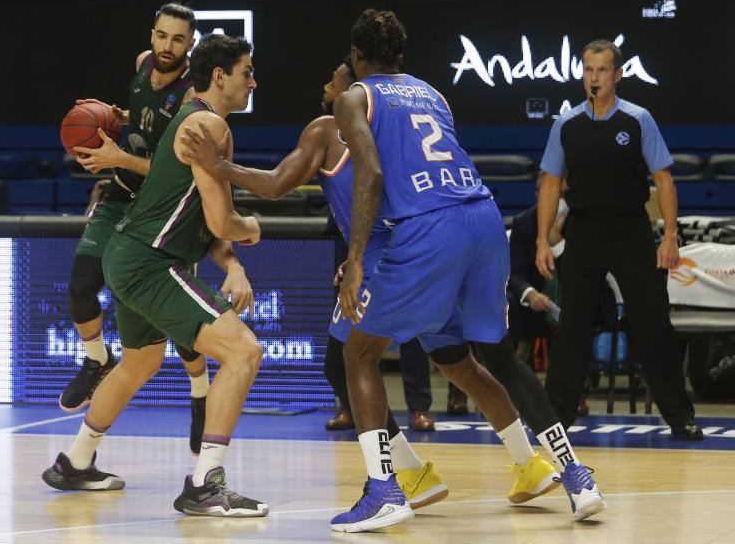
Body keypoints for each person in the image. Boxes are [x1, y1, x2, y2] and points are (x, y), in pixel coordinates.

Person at [182, 47, 602, 531]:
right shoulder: (410, 111)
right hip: (444, 236)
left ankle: (403, 477)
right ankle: (534, 463)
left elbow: (278, 184)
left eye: (335, 77)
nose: (328, 86)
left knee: (347, 360)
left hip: (395, 254)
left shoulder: (329, 125)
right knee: (462, 360)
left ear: (354, 81)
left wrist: (219, 166)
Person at [331, 10, 604, 532]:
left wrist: (358, 257)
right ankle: (574, 475)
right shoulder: (432, 94)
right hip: (482, 216)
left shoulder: (354, 97)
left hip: (432, 225)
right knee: (486, 356)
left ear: (356, 56)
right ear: (401, 56)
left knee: (358, 352)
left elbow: (372, 171)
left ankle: (385, 491)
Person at [43, 34, 268, 518]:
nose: (254, 80)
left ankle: (76, 461)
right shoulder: (210, 125)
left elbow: (204, 222)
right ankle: (205, 483)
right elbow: (221, 223)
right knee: (244, 352)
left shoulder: (193, 111)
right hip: (150, 260)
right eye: (247, 71)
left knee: (139, 363)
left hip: (126, 253)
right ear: (220, 75)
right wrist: (252, 229)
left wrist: (233, 260)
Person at [59, 0, 223, 457]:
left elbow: (177, 167)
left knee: (174, 319)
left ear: (191, 44)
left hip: (160, 204)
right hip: (121, 194)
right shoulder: (140, 65)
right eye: (162, 36)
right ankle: (97, 361)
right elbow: (145, 118)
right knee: (80, 284)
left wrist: (116, 156)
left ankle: (200, 394)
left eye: (178, 39)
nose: (168, 46)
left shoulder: (194, 95)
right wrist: (111, 117)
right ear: (151, 36)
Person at [537, 38, 702, 441]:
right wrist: (542, 239)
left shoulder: (638, 119)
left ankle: (679, 415)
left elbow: (663, 179)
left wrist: (670, 236)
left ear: (618, 75)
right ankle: (556, 418)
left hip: (631, 231)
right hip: (585, 232)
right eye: (588, 70)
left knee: (652, 325)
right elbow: (551, 184)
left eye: (602, 70)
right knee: (571, 327)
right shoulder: (567, 124)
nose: (593, 78)